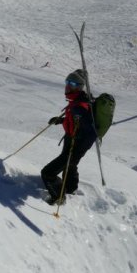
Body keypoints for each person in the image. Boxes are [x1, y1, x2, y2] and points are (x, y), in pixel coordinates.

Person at [40, 70, 97, 205]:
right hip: (71, 140)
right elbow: (76, 121)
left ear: (79, 86)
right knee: (69, 167)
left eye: (72, 83)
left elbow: (89, 130)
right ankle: (71, 191)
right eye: (67, 82)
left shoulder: (81, 105)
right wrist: (61, 120)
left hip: (76, 145)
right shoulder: (78, 101)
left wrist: (77, 149)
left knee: (47, 173)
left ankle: (58, 199)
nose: (67, 85)